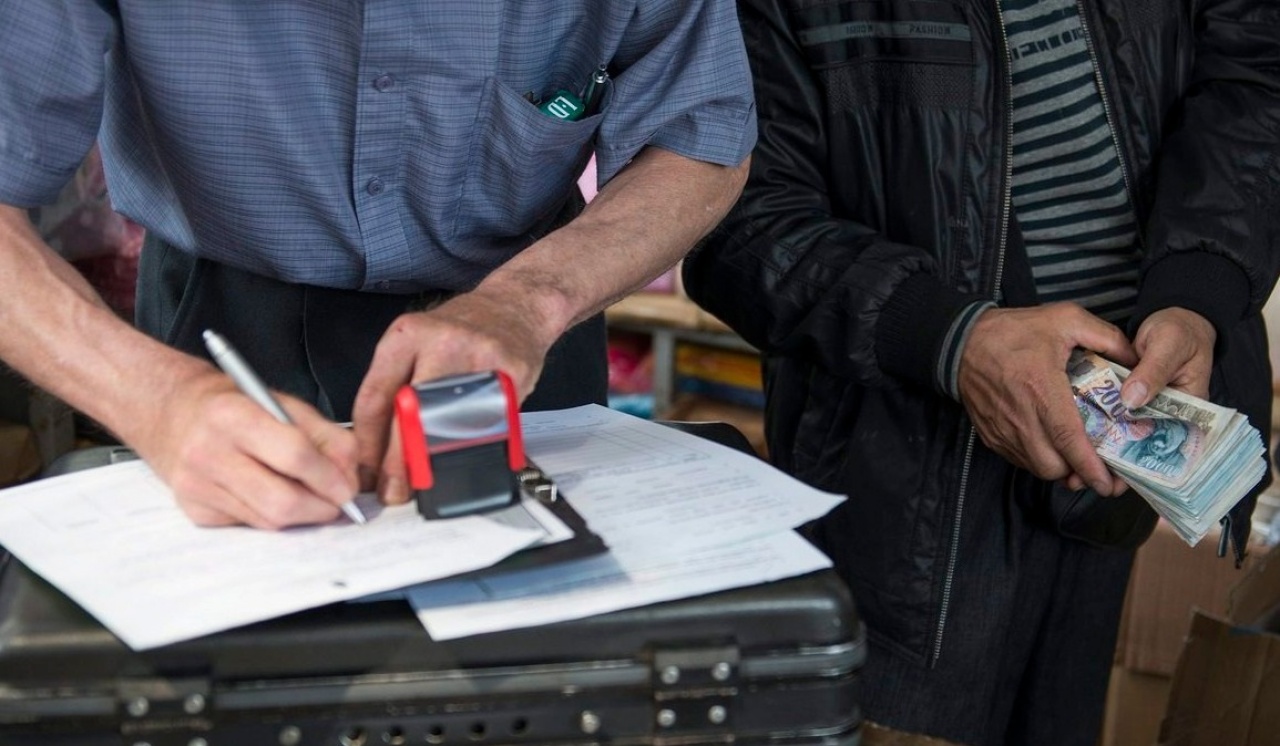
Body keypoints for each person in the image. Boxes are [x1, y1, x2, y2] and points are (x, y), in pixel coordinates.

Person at [682, 1, 1280, 744]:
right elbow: (730, 215)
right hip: (898, 488)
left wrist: (1200, 286)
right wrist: (949, 337)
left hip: (1120, 460)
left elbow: (1257, 64)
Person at [0, 2, 755, 529]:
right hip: (221, 315)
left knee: (529, 647)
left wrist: (529, 301)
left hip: (526, 325)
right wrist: (155, 400)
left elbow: (699, 136)